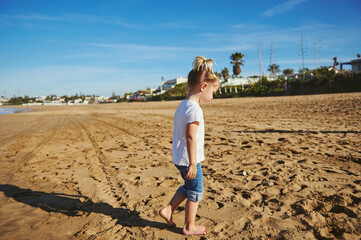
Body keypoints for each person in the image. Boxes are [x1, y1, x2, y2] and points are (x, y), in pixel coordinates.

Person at [159, 56, 220, 235]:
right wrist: (193, 163)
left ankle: (169, 209)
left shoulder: (183, 105)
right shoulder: (194, 109)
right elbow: (191, 137)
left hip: (179, 157)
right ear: (203, 87)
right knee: (196, 191)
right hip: (188, 159)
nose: (212, 96)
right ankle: (189, 226)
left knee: (188, 186)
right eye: (213, 91)